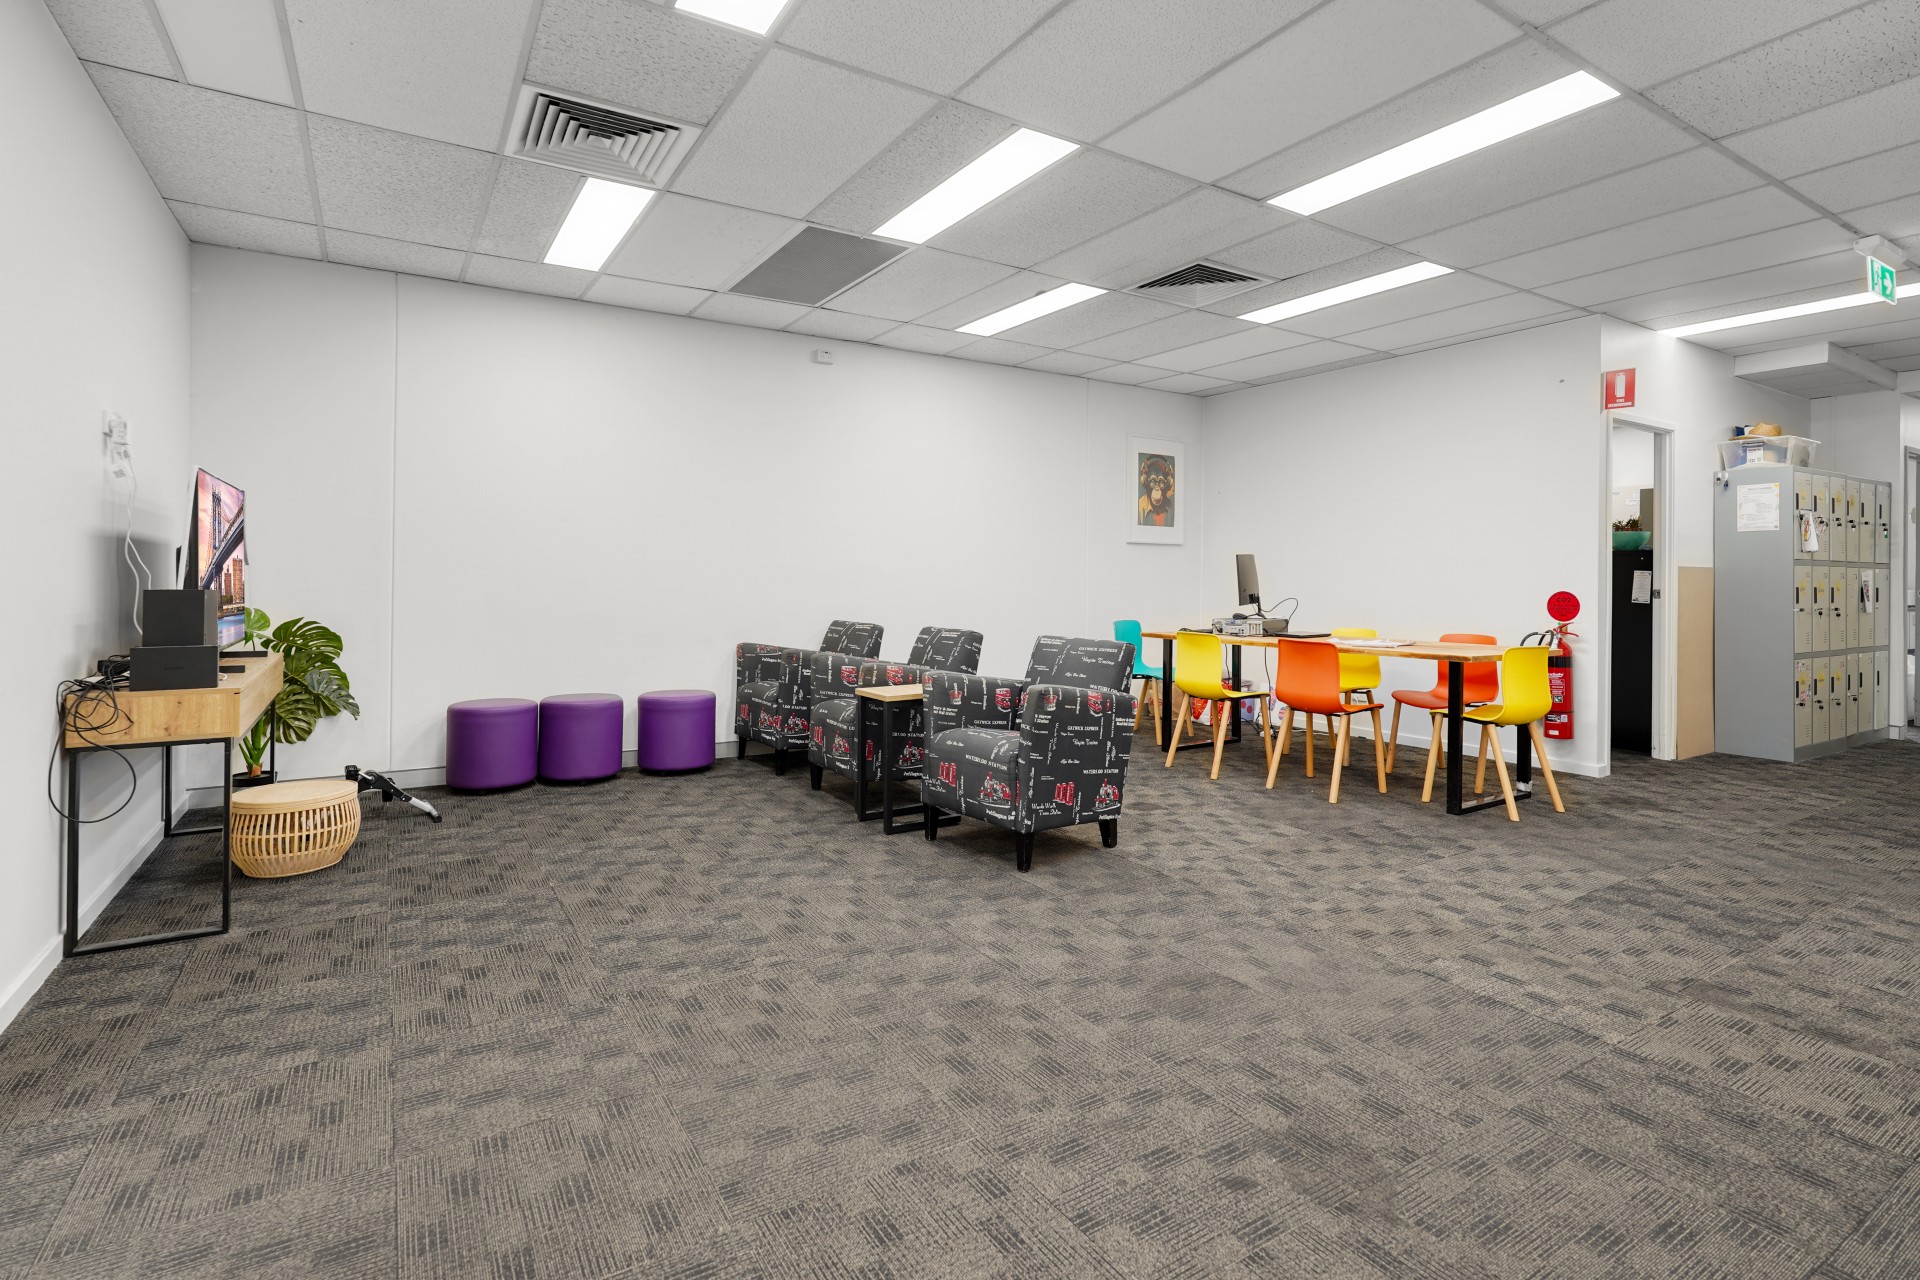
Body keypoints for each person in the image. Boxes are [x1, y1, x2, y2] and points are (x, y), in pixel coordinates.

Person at [1138, 455, 1174, 526]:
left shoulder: (1171, 506)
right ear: (1145, 481)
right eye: (1153, 481)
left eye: (1161, 482)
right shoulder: (1140, 505)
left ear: (1167, 483)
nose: (1157, 488)